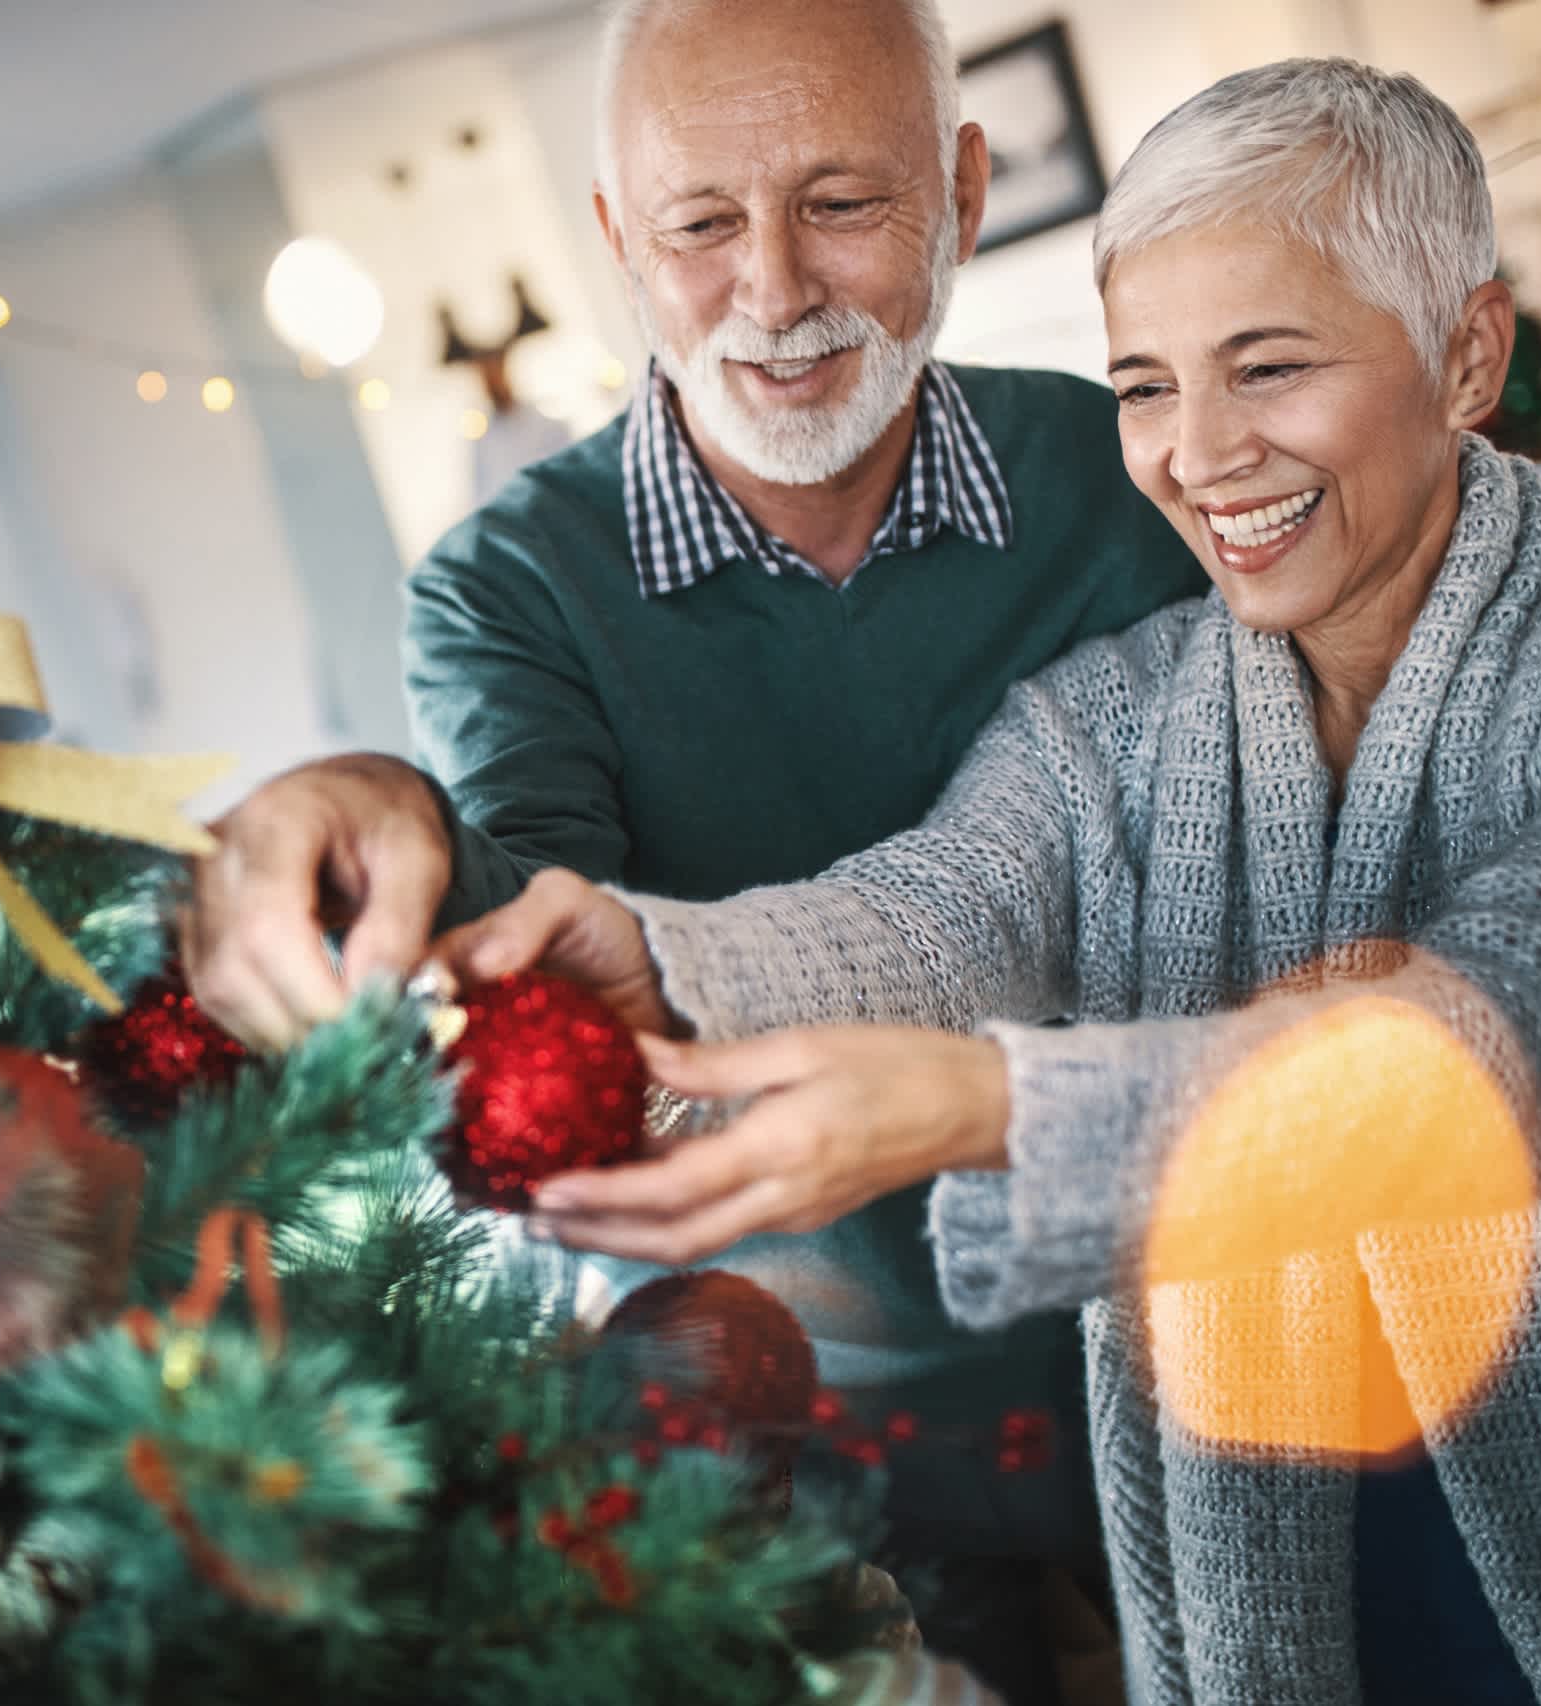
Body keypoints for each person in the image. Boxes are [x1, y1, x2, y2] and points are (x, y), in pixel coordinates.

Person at [437, 59, 1541, 1706]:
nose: (1199, 454)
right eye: (1142, 385)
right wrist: (651, 956)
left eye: (1267, 367)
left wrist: (988, 1106)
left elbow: (1495, 1049)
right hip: (1289, 1565)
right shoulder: (1111, 714)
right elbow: (929, 908)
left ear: (1468, 353)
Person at [187, 1, 1200, 1696]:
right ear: (614, 244)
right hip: (800, 1423)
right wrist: (388, 819)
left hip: (1170, 1346)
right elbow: (530, 916)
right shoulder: (506, 593)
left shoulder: (1128, 480)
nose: (777, 288)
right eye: (702, 225)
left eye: (845, 204)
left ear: (961, 189)